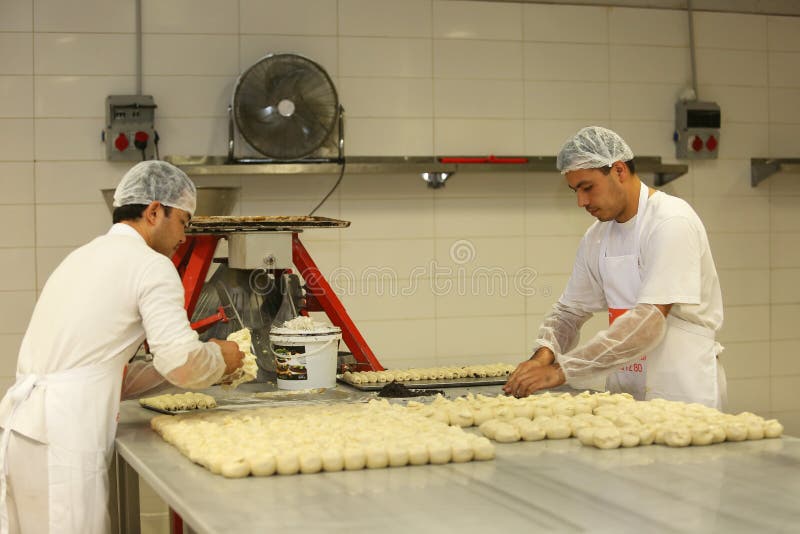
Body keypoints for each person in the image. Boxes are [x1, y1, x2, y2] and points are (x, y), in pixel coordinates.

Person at [0, 160, 245, 534]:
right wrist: (220, 359)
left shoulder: (81, 256)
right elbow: (180, 360)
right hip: (64, 437)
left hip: (23, 432)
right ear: (153, 212)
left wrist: (181, 373)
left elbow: (103, 369)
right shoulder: (150, 265)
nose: (185, 236)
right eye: (183, 221)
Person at [504, 126, 726, 409]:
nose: (581, 201)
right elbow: (569, 313)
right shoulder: (597, 237)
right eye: (575, 191)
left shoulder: (670, 222)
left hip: (681, 389)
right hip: (626, 391)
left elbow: (649, 321)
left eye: (587, 188)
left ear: (619, 171)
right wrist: (541, 358)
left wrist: (563, 371)